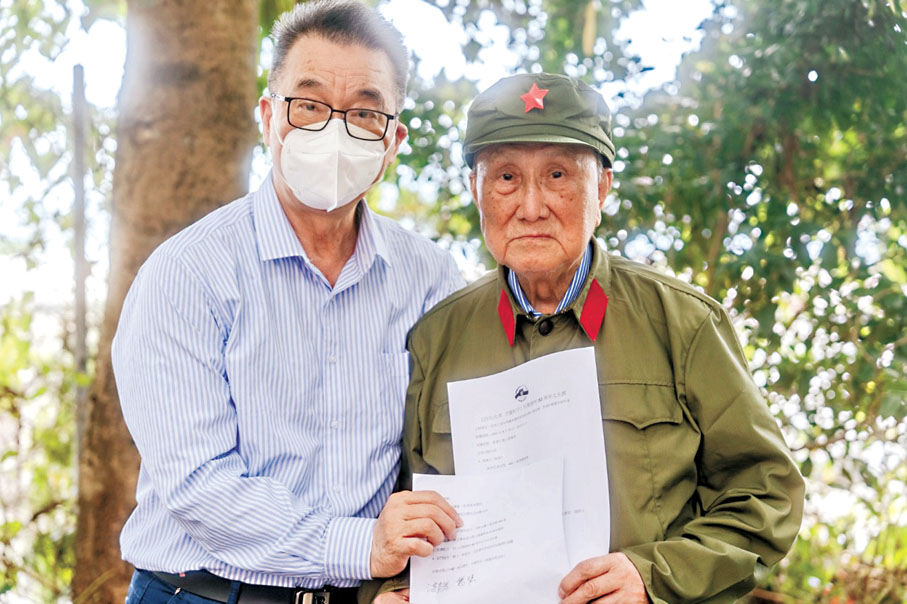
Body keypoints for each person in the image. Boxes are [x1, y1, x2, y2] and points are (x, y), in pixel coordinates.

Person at [366, 73, 805, 604]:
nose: (531, 206)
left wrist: (653, 576)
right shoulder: (436, 338)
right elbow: (402, 511)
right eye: (505, 177)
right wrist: (394, 589)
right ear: (475, 191)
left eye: (557, 175)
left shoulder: (683, 322)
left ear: (601, 187)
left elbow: (765, 493)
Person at [113, 2, 465, 603]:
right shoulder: (187, 273)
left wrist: (403, 578)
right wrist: (362, 547)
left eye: (365, 112)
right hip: (199, 594)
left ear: (393, 141)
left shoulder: (431, 279)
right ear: (268, 116)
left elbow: (443, 454)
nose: (334, 131)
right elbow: (199, 485)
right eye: (309, 104)